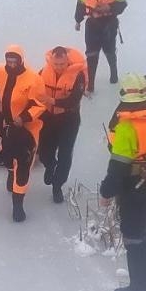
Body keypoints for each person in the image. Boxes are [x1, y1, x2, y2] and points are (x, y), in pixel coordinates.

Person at [100, 73, 146, 291]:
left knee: (132, 231)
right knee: (144, 225)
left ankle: (140, 287)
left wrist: (106, 192)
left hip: (133, 184)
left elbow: (118, 166)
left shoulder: (127, 126)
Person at [0, 45, 47, 222]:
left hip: (27, 129)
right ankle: (9, 172)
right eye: (9, 60)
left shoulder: (33, 79)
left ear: (21, 60)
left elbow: (40, 104)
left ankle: (18, 205)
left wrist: (23, 118)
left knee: (23, 167)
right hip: (5, 125)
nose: (11, 63)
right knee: (5, 155)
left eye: (15, 60)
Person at [38, 46, 87, 204]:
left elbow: (74, 100)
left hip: (69, 119)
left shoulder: (78, 76)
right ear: (51, 61)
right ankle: (50, 164)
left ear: (67, 61)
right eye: (56, 64)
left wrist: (52, 101)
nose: (59, 68)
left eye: (62, 64)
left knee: (65, 154)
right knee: (44, 151)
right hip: (47, 118)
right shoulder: (42, 73)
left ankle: (57, 186)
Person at [73, 0, 128, 91]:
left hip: (109, 23)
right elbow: (80, 4)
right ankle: (90, 84)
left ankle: (113, 74)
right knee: (91, 53)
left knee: (109, 51)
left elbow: (123, 3)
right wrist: (78, 20)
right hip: (92, 23)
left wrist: (109, 8)